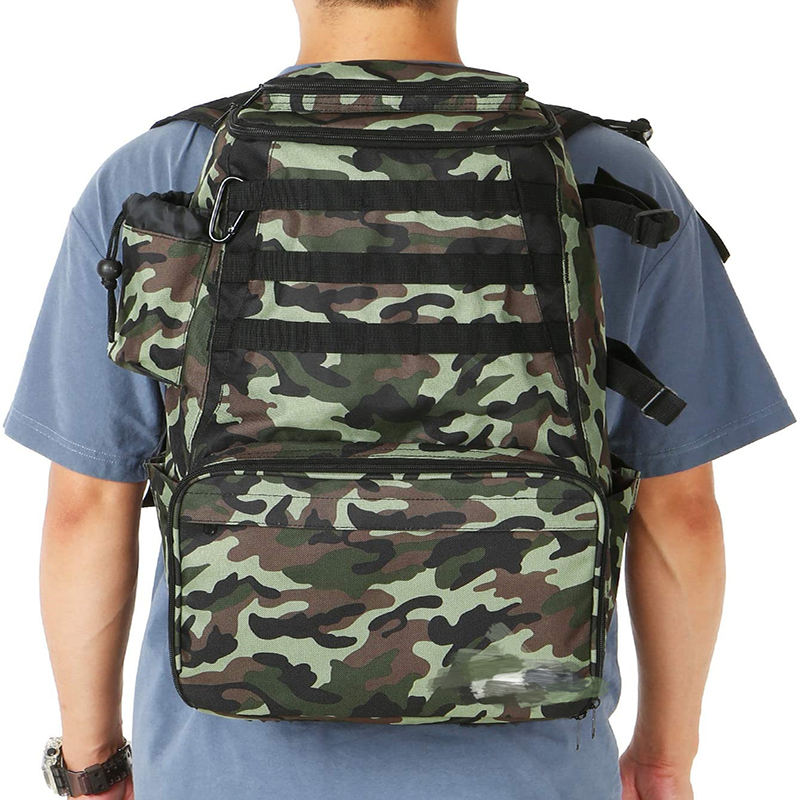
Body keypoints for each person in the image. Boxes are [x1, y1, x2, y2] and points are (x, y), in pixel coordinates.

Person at [3, 1, 795, 798]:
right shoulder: (608, 173)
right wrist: (663, 761)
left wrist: (91, 766)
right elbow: (680, 513)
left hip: (222, 772)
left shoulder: (157, 173)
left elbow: (86, 509)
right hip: (531, 758)